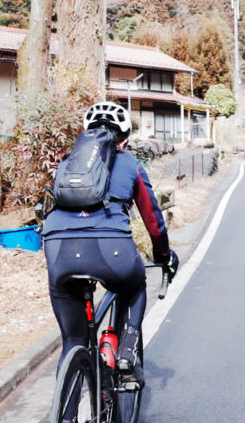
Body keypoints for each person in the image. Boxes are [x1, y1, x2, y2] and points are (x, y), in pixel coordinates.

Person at [42, 102, 178, 387]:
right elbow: (153, 218)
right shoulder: (130, 163)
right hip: (111, 247)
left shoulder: (67, 162)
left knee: (73, 341)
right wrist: (163, 255)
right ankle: (127, 351)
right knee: (135, 283)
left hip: (58, 249)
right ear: (124, 139)